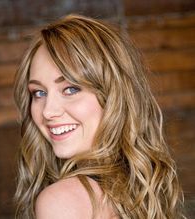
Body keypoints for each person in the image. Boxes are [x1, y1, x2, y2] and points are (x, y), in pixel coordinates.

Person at [13, 14, 185, 219]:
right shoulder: (142, 188)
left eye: (70, 89)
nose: (48, 111)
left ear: (113, 96)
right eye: (39, 93)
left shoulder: (62, 202)